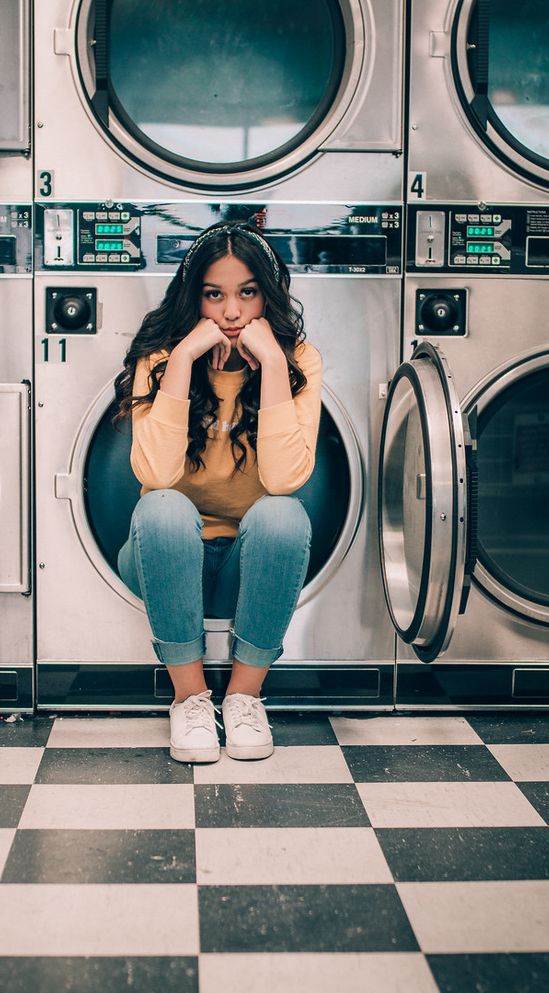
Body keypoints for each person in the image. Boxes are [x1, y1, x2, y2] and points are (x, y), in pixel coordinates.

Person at [113, 220, 322, 764]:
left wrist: (274, 363)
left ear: (267, 296)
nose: (231, 313)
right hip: (161, 563)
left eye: (247, 293)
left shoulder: (298, 361)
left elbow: (283, 480)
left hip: (251, 569)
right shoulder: (160, 359)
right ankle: (189, 698)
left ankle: (244, 697)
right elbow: (156, 475)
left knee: (283, 514)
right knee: (161, 507)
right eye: (214, 295)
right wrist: (181, 360)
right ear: (194, 297)